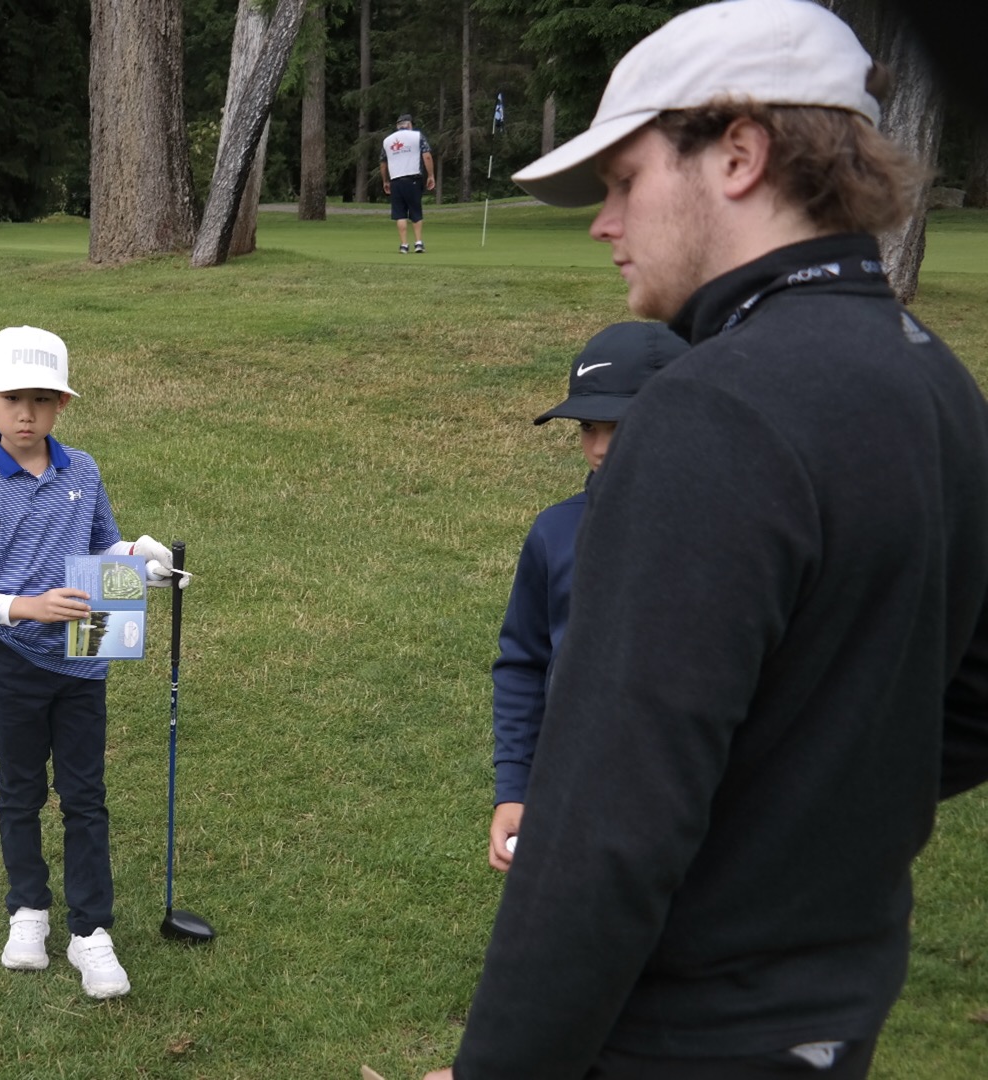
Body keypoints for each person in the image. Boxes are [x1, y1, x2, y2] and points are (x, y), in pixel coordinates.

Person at [424, 2, 988, 1077]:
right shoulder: (938, 381)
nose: (604, 223)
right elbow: (973, 701)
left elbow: (604, 824)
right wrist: (809, 815)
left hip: (683, 1029)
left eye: (624, 181)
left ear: (739, 153)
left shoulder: (709, 410)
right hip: (831, 1003)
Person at [0, 326, 177, 1000]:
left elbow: (105, 550)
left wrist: (144, 562)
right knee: (20, 790)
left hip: (84, 662)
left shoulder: (85, 471)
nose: (27, 414)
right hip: (15, 661)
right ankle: (28, 910)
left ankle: (90, 930)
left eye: (43, 400)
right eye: (13, 399)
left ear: (62, 405)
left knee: (84, 795)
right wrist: (29, 608)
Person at [488, 322, 686, 872]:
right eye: (587, 427)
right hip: (573, 793)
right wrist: (515, 788)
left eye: (619, 427)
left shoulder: (736, 534)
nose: (597, 448)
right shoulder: (555, 532)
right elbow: (524, 662)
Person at [380, 114, 435, 254]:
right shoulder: (417, 136)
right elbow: (427, 156)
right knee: (415, 211)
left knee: (400, 213)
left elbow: (383, 163)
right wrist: (430, 175)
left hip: (396, 180)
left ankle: (404, 245)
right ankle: (418, 243)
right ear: (409, 124)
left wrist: (385, 180)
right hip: (413, 178)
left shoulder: (387, 141)